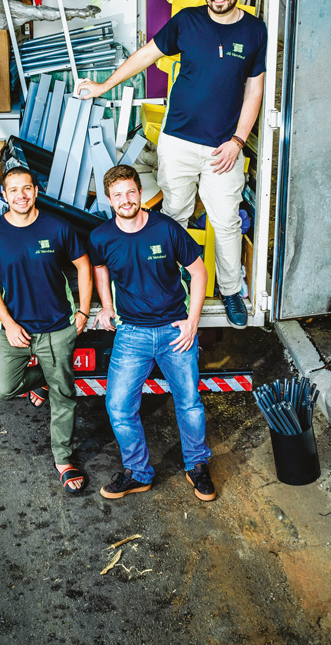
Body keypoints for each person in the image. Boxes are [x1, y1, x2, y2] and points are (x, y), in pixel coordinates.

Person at [79, 0, 266, 329]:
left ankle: (230, 291)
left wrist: (238, 140)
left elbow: (254, 90)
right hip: (178, 141)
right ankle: (172, 285)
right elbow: (146, 56)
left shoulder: (254, 31)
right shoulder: (187, 22)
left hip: (222, 148)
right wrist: (103, 85)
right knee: (173, 218)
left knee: (227, 221)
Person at [89, 165, 215, 501]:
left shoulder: (165, 229)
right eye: (118, 195)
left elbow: (198, 273)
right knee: (118, 406)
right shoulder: (102, 236)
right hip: (132, 333)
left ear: (140, 193)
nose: (125, 199)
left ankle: (197, 466)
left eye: (131, 192)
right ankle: (139, 473)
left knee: (189, 403)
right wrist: (106, 305)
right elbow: (100, 269)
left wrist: (192, 321)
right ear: (109, 199)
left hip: (175, 330)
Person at [0, 167, 92, 494]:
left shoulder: (56, 228)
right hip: (16, 329)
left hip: (57, 328)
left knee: (64, 395)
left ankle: (63, 459)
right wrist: (9, 324)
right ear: (4, 194)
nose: (20, 195)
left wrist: (82, 308)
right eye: (13, 190)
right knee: (1, 388)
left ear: (36, 191)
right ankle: (41, 379)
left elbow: (83, 265)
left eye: (26, 189)